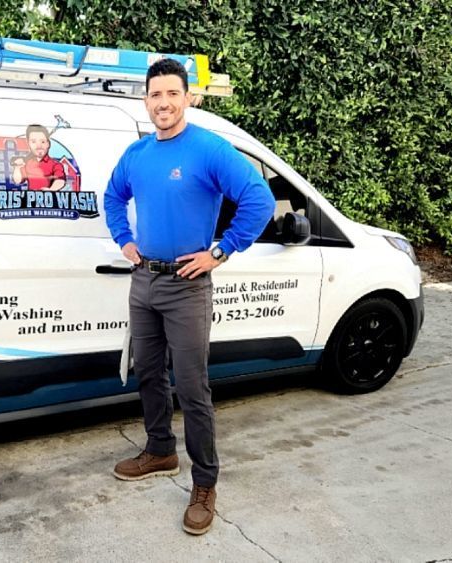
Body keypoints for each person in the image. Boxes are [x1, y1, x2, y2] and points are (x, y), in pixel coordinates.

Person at [104, 58, 275, 536]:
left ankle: (205, 483)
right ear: (146, 100)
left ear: (187, 98)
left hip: (187, 287)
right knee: (149, 375)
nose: (163, 103)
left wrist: (220, 251)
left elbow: (259, 199)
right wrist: (124, 240)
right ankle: (160, 450)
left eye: (172, 94)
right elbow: (113, 197)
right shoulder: (137, 154)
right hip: (145, 281)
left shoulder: (209, 150)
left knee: (193, 389)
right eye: (155, 95)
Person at [11, 124, 66, 191]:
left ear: (48, 144)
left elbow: (60, 180)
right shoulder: (27, 163)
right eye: (33, 142)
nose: (39, 146)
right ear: (29, 144)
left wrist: (51, 190)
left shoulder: (55, 164)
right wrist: (17, 167)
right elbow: (18, 180)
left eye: (43, 142)